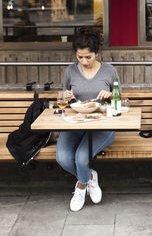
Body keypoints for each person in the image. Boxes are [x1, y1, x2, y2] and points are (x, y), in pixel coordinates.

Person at [56, 27, 120, 212]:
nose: (83, 61)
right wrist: (68, 98)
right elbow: (68, 99)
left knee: (82, 158)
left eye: (88, 57)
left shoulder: (109, 71)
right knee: (62, 158)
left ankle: (81, 187)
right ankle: (90, 177)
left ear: (97, 53)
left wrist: (110, 96)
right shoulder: (70, 71)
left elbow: (118, 102)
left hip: (103, 125)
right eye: (79, 57)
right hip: (77, 122)